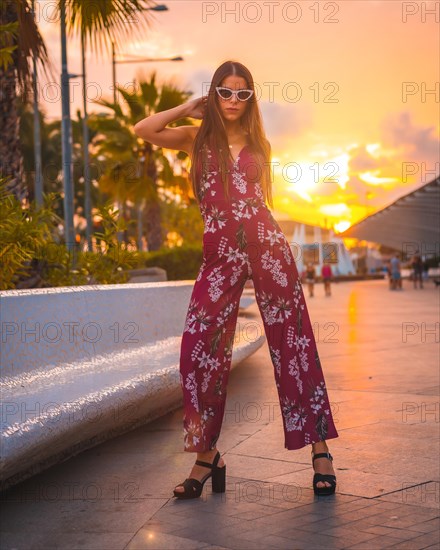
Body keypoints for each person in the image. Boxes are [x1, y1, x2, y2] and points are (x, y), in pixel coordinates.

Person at [134, 60, 339, 499]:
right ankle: (207, 455)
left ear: (250, 98)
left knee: (294, 342)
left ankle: (320, 449)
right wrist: (188, 106)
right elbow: (143, 129)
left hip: (267, 245)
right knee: (197, 348)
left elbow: (260, 200)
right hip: (219, 255)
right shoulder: (196, 138)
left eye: (241, 93)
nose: (232, 100)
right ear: (213, 95)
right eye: (224, 92)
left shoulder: (259, 142)